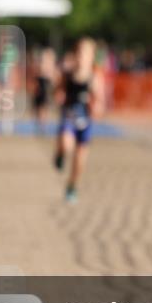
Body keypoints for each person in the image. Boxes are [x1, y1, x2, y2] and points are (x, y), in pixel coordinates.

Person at [54, 38, 104, 203]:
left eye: (86, 53)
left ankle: (71, 187)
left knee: (80, 161)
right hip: (69, 118)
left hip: (85, 122)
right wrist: (59, 95)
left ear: (92, 57)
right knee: (66, 144)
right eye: (79, 52)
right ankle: (60, 153)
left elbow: (100, 102)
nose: (82, 56)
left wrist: (96, 106)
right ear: (75, 55)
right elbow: (58, 90)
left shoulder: (94, 78)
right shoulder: (68, 74)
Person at [31, 46, 58, 135]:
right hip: (40, 89)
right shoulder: (39, 66)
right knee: (38, 108)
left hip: (46, 89)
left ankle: (43, 126)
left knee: (44, 107)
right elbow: (35, 78)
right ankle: (40, 124)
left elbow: (54, 78)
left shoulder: (51, 67)